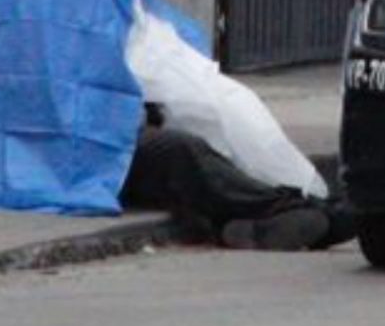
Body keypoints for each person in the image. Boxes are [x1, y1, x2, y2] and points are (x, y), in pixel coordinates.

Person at [121, 108, 355, 251]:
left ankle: (233, 225)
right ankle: (294, 209)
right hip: (100, 150)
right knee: (180, 151)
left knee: (215, 142)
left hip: (111, 139)